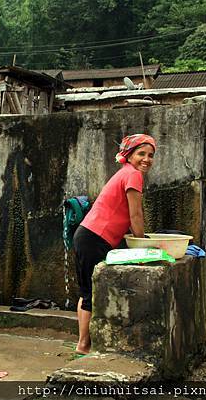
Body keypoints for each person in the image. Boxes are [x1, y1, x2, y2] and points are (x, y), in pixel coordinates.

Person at [72, 133, 156, 354]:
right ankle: (83, 345)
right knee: (90, 292)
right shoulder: (133, 175)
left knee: (86, 291)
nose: (146, 159)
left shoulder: (125, 173)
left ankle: (84, 343)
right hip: (94, 237)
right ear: (129, 155)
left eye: (150, 155)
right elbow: (135, 215)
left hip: (87, 235)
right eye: (141, 153)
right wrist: (143, 245)